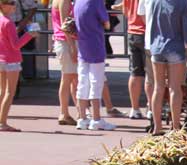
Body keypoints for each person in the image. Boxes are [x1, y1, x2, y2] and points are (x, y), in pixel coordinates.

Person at [147, 0, 187, 134]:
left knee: (158, 87)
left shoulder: (155, 2)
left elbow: (151, 25)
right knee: (175, 88)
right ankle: (176, 126)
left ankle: (157, 126)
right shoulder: (183, 3)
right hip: (175, 48)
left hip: (156, 47)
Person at [74, 0, 115, 130]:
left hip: (82, 45)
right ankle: (96, 119)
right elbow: (106, 23)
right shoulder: (96, 2)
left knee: (83, 82)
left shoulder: (77, 2)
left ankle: (82, 118)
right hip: (96, 45)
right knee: (96, 82)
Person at [0, 0, 36, 131]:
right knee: (10, 92)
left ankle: (1, 121)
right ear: (3, 5)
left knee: (2, 91)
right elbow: (16, 45)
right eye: (10, 3)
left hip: (1, 58)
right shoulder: (8, 22)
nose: (14, 5)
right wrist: (29, 35)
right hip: (11, 60)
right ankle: (2, 122)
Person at [119, 0, 149, 118]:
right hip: (146, 32)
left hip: (132, 31)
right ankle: (151, 108)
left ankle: (135, 108)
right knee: (150, 74)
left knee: (135, 73)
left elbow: (125, 11)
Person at [52, 0, 78, 125]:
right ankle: (64, 113)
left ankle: (77, 112)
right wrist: (72, 46)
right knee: (69, 78)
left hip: (64, 42)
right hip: (66, 42)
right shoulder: (64, 1)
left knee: (70, 78)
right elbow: (65, 25)